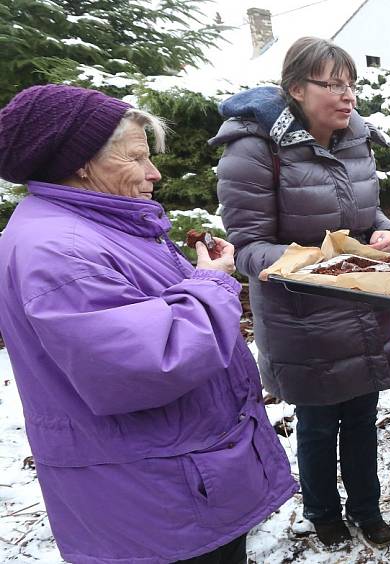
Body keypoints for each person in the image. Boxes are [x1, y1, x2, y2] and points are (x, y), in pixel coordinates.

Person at [0, 84, 297, 563]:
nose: (154, 172)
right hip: (158, 500)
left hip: (167, 479)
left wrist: (194, 276)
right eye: (137, 157)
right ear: (80, 162)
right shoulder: (63, 251)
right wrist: (211, 285)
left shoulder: (90, 226)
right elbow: (151, 363)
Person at [210, 36, 390, 547]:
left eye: (351, 84)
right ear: (296, 89)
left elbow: (365, 216)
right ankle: (322, 512)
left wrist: (385, 232)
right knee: (318, 426)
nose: (347, 96)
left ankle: (368, 507)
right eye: (332, 84)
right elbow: (248, 246)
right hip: (304, 317)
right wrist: (313, 263)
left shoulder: (357, 140)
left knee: (363, 418)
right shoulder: (253, 150)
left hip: (362, 305)